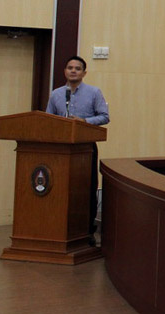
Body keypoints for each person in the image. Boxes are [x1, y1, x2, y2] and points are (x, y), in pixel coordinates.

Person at [45, 56, 109, 246]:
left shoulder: (94, 92)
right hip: (61, 149)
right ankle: (58, 227)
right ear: (65, 71)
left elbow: (104, 116)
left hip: (85, 147)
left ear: (84, 73)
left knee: (85, 187)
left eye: (77, 68)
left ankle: (86, 230)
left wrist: (84, 122)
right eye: (70, 67)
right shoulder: (56, 94)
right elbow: (48, 119)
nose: (73, 71)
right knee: (59, 187)